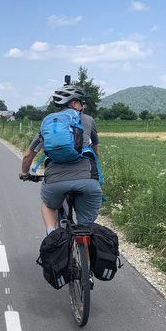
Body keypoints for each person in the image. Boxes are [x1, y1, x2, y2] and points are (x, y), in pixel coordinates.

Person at [19, 84, 102, 234]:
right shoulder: (88, 120)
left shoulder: (50, 124)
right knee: (86, 227)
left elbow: (28, 156)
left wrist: (25, 174)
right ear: (74, 104)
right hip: (87, 180)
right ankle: (87, 250)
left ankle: (52, 236)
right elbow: (95, 153)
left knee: (49, 206)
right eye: (82, 102)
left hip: (55, 181)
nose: (84, 105)